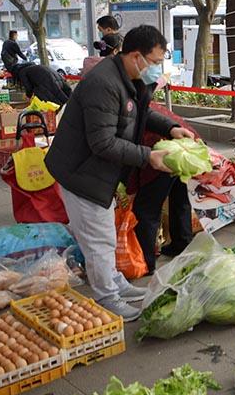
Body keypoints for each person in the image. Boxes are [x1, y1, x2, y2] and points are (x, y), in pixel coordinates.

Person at [45, 25, 195, 321]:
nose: (156, 69)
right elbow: (102, 143)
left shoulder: (128, 77)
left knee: (105, 237)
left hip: (98, 173)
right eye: (154, 62)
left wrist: (170, 127)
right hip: (82, 174)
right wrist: (148, 157)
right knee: (99, 241)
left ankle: (114, 283)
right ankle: (107, 298)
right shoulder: (104, 84)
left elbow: (139, 113)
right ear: (136, 56)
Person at [129, 102, 197, 273]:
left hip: (159, 157)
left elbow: (129, 163)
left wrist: (131, 190)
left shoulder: (125, 110)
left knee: (146, 210)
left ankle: (146, 262)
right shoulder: (147, 105)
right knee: (179, 200)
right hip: (181, 149)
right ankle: (182, 244)